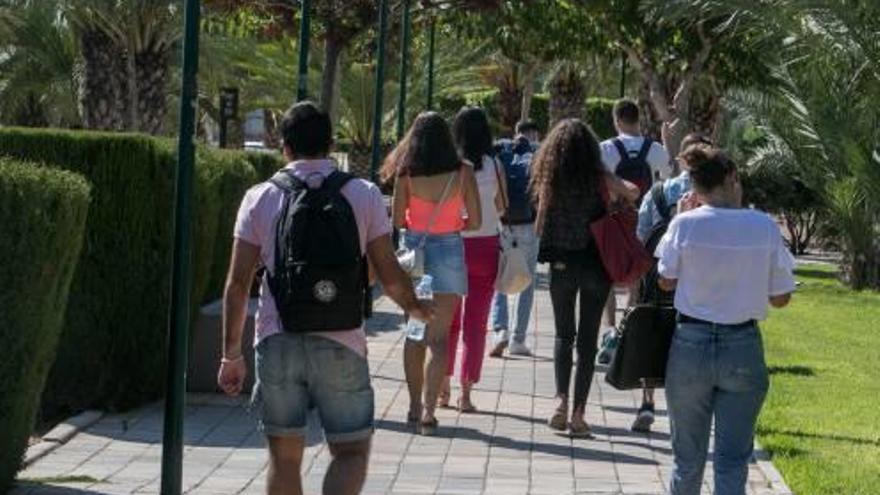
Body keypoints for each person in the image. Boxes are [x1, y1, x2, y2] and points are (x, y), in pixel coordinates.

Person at [218, 101, 432, 495]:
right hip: (342, 340)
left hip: (276, 337)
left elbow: (236, 283)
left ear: (283, 146)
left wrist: (231, 355)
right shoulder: (363, 194)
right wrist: (417, 309)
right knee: (350, 453)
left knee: (283, 459)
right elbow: (388, 270)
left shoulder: (259, 197)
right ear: (331, 144)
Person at [656, 146, 796, 495]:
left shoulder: (684, 223)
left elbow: (665, 279)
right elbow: (781, 298)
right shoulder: (763, 226)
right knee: (733, 460)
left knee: (687, 459)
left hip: (690, 342)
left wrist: (680, 219)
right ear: (732, 178)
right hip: (742, 346)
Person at [531, 118, 639, 437]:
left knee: (564, 336)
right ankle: (579, 415)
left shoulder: (550, 177)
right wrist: (615, 196)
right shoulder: (599, 175)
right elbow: (632, 191)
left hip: (562, 264)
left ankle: (560, 404)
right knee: (588, 341)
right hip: (596, 265)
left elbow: (538, 228)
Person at [383, 111, 481, 435]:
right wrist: (453, 223)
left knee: (415, 333)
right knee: (438, 337)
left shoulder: (405, 173)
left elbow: (397, 222)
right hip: (450, 250)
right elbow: (477, 221)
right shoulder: (462, 171)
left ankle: (412, 404)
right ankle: (428, 411)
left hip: (416, 253)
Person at [630, 132, 714, 433]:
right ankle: (688, 409)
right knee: (691, 338)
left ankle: (647, 402)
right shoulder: (715, 199)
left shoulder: (658, 192)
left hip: (658, 274)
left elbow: (641, 235)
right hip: (698, 280)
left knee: (652, 335)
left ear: (681, 159)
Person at [440, 106, 507, 413]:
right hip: (486, 247)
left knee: (449, 321)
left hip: (453, 245)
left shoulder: (450, 166)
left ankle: (441, 386)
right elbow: (503, 207)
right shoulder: (494, 165)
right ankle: (465, 394)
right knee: (476, 323)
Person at [598, 98, 672, 370]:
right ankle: (626, 329)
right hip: (645, 224)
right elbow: (666, 181)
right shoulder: (656, 149)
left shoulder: (604, 149)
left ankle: (609, 329)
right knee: (636, 280)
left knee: (607, 276)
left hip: (614, 223)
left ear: (616, 120)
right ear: (638, 120)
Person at [489, 120, 541, 358]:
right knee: (527, 283)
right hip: (530, 226)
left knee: (499, 279)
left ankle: (500, 331)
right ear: (534, 135)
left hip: (503, 224)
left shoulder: (501, 150)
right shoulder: (537, 153)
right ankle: (519, 339)